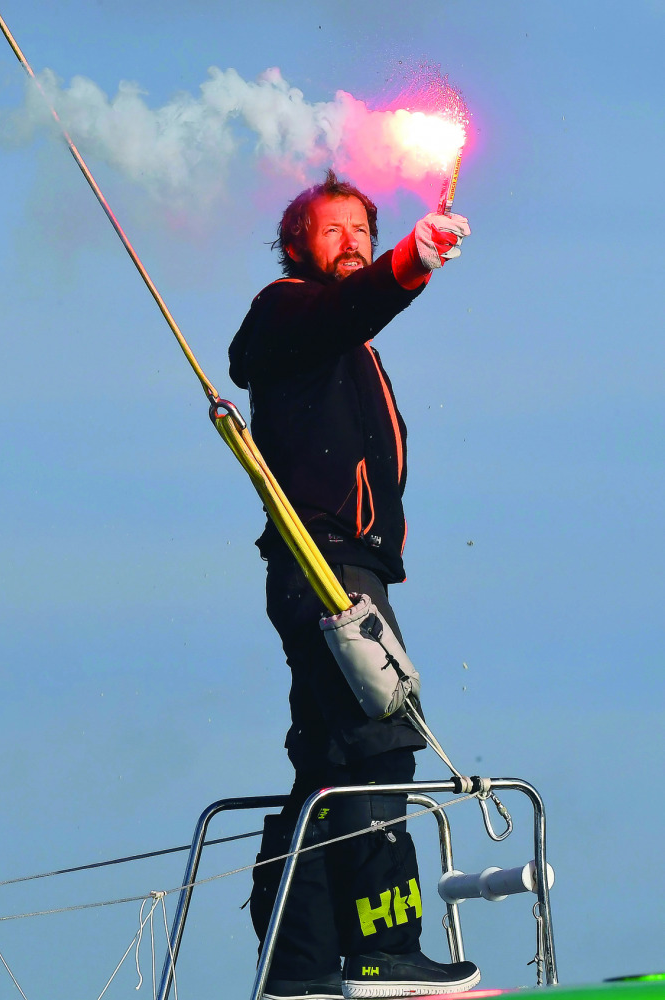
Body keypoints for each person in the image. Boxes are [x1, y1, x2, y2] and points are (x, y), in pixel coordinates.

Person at [229, 170, 478, 1000]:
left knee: (329, 760)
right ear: (298, 245)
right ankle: (385, 949)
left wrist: (400, 263)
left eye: (365, 233)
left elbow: (360, 311)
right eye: (333, 231)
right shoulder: (289, 311)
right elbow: (353, 305)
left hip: (346, 568)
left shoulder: (345, 343)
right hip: (325, 566)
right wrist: (414, 259)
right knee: (381, 740)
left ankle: (297, 968)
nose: (353, 245)